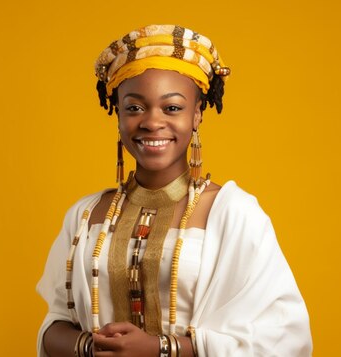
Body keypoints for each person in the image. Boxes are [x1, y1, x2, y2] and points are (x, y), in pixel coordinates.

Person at [36, 24, 312, 357]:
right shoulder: (84, 216)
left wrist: (160, 348)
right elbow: (55, 325)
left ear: (196, 114)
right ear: (118, 115)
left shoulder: (233, 214)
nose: (152, 122)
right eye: (135, 107)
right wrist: (91, 347)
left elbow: (283, 337)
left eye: (172, 108)